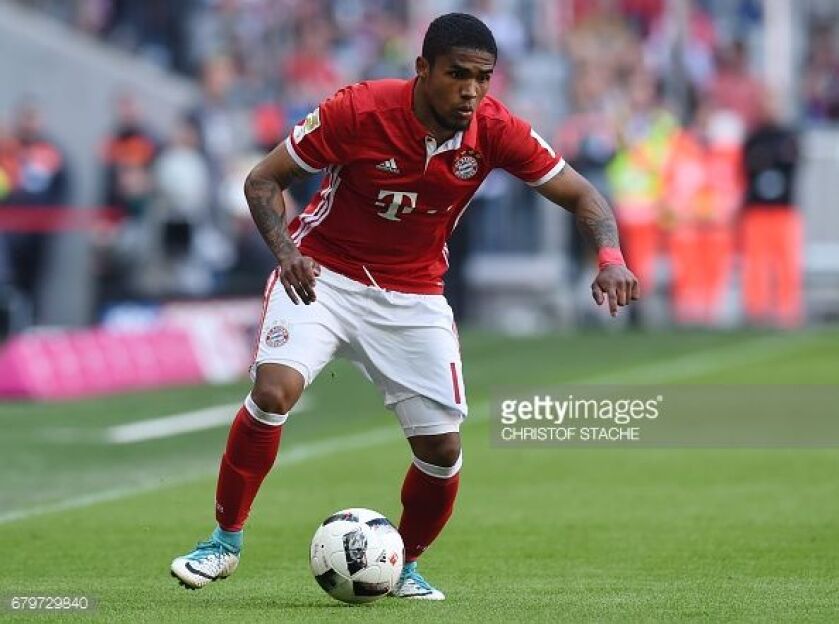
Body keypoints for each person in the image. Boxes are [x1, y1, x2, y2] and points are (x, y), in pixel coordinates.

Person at [170, 13, 639, 600]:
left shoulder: (495, 129)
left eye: (483, 78)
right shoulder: (357, 110)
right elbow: (263, 180)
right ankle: (223, 543)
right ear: (423, 69)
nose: (471, 91)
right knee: (273, 392)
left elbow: (583, 194)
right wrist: (287, 253)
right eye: (457, 74)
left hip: (414, 294)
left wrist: (610, 257)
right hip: (322, 275)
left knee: (442, 452)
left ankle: (404, 565)